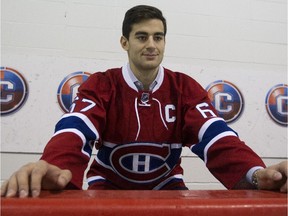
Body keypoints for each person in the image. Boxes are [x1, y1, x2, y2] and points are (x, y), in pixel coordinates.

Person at [1, 5, 287, 198]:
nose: (151, 44)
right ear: (125, 42)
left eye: (158, 37)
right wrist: (53, 166)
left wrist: (257, 174)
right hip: (107, 186)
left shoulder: (184, 87)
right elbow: (75, 129)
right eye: (142, 37)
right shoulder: (101, 84)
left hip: (167, 185)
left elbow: (216, 137)